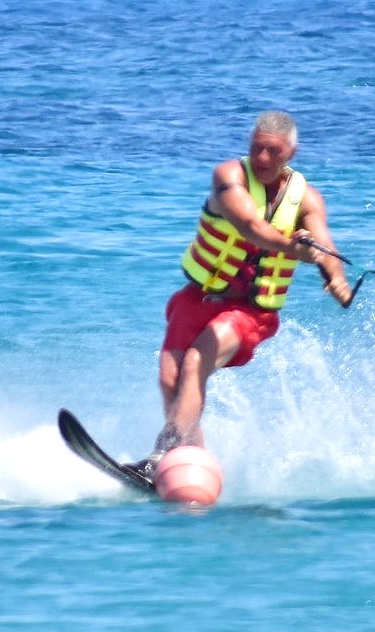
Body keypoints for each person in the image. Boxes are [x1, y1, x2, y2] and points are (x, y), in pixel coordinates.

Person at [129, 111, 353, 481]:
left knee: (196, 362)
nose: (263, 159)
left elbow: (323, 243)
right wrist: (295, 249)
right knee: (171, 381)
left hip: (251, 312)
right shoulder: (228, 177)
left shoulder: (307, 199)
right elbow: (250, 227)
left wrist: (334, 277)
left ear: (291, 153)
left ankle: (161, 454)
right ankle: (189, 468)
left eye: (274, 152)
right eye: (257, 149)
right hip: (197, 297)